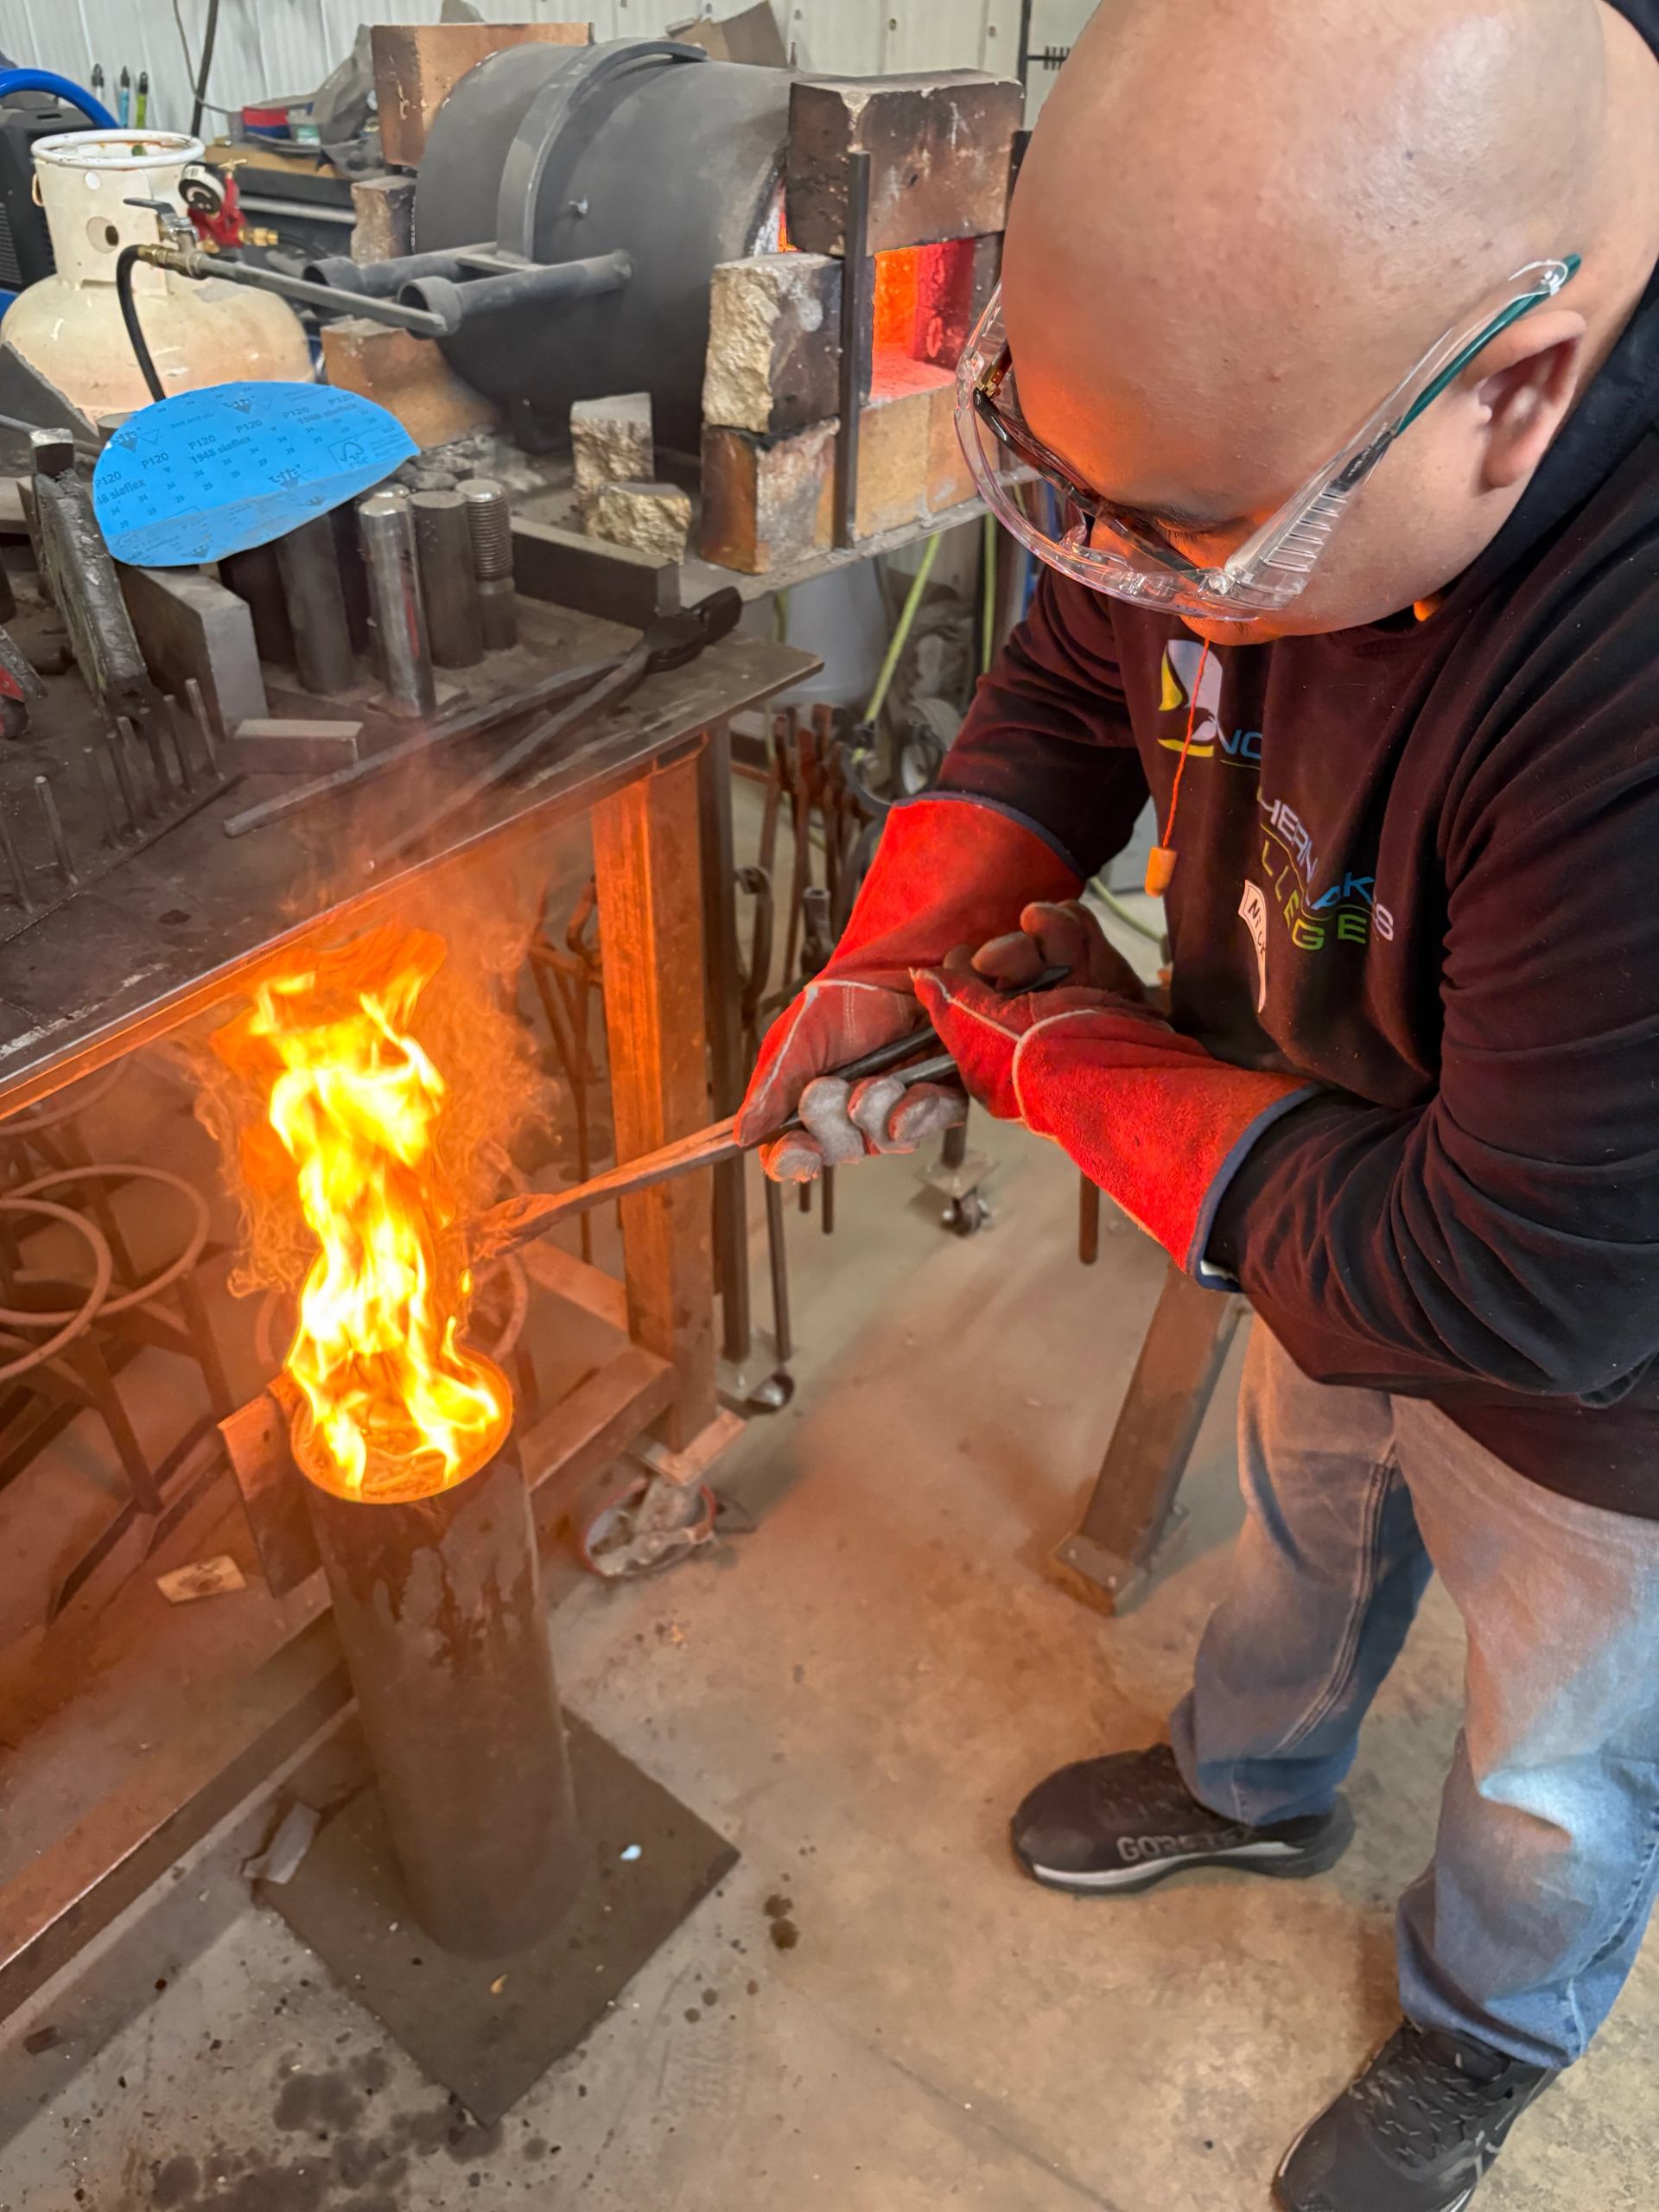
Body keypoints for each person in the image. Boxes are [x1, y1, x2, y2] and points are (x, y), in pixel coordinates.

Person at [735, 3, 1659, 2207]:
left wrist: (1063, 1058)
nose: (1113, 560)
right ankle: (1260, 1785)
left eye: (1192, 531)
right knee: (1309, 1516)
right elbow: (1084, 651)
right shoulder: (1277, 417)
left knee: (1555, 1765)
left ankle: (1486, 2020)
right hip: (1324, 1137)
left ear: (1518, 393)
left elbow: (1509, 1275)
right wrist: (906, 945)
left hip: (1598, 1359)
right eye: (1067, 484)